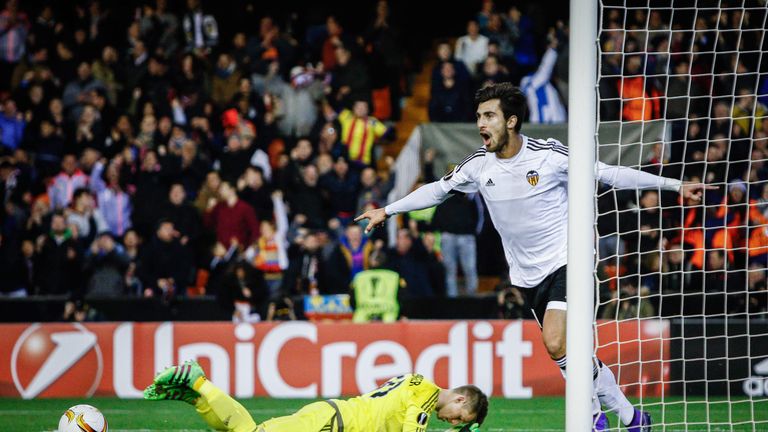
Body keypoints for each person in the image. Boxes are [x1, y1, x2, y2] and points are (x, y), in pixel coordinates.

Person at [356, 83, 716, 431]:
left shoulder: (547, 155)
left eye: (489, 116)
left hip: (567, 260)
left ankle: (592, 417)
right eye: (479, 116)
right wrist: (387, 210)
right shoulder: (479, 165)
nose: (481, 123)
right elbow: (437, 191)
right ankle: (632, 418)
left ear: (511, 121)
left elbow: (608, 174)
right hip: (526, 275)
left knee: (557, 342)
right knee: (569, 355)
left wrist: (674, 185)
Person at [144, 360, 487, 432]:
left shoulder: (416, 380)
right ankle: (198, 381)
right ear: (459, 399)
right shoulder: (425, 397)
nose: (453, 422)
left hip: (331, 417)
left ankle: (196, 396)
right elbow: (413, 426)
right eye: (461, 418)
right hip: (331, 425)